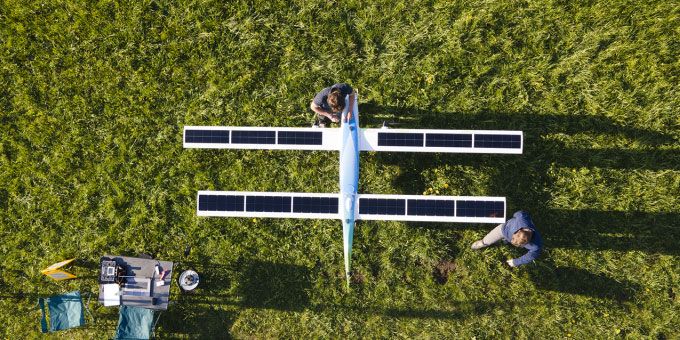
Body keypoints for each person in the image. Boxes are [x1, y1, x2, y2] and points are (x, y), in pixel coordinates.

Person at [471, 210, 543, 267]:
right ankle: (483, 242)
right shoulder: (522, 218)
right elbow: (519, 213)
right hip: (503, 229)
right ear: (518, 230)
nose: (512, 241)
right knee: (489, 238)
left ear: (528, 242)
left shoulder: (536, 245)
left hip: (508, 232)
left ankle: (505, 240)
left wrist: (516, 262)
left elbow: (531, 256)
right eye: (512, 238)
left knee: (506, 240)